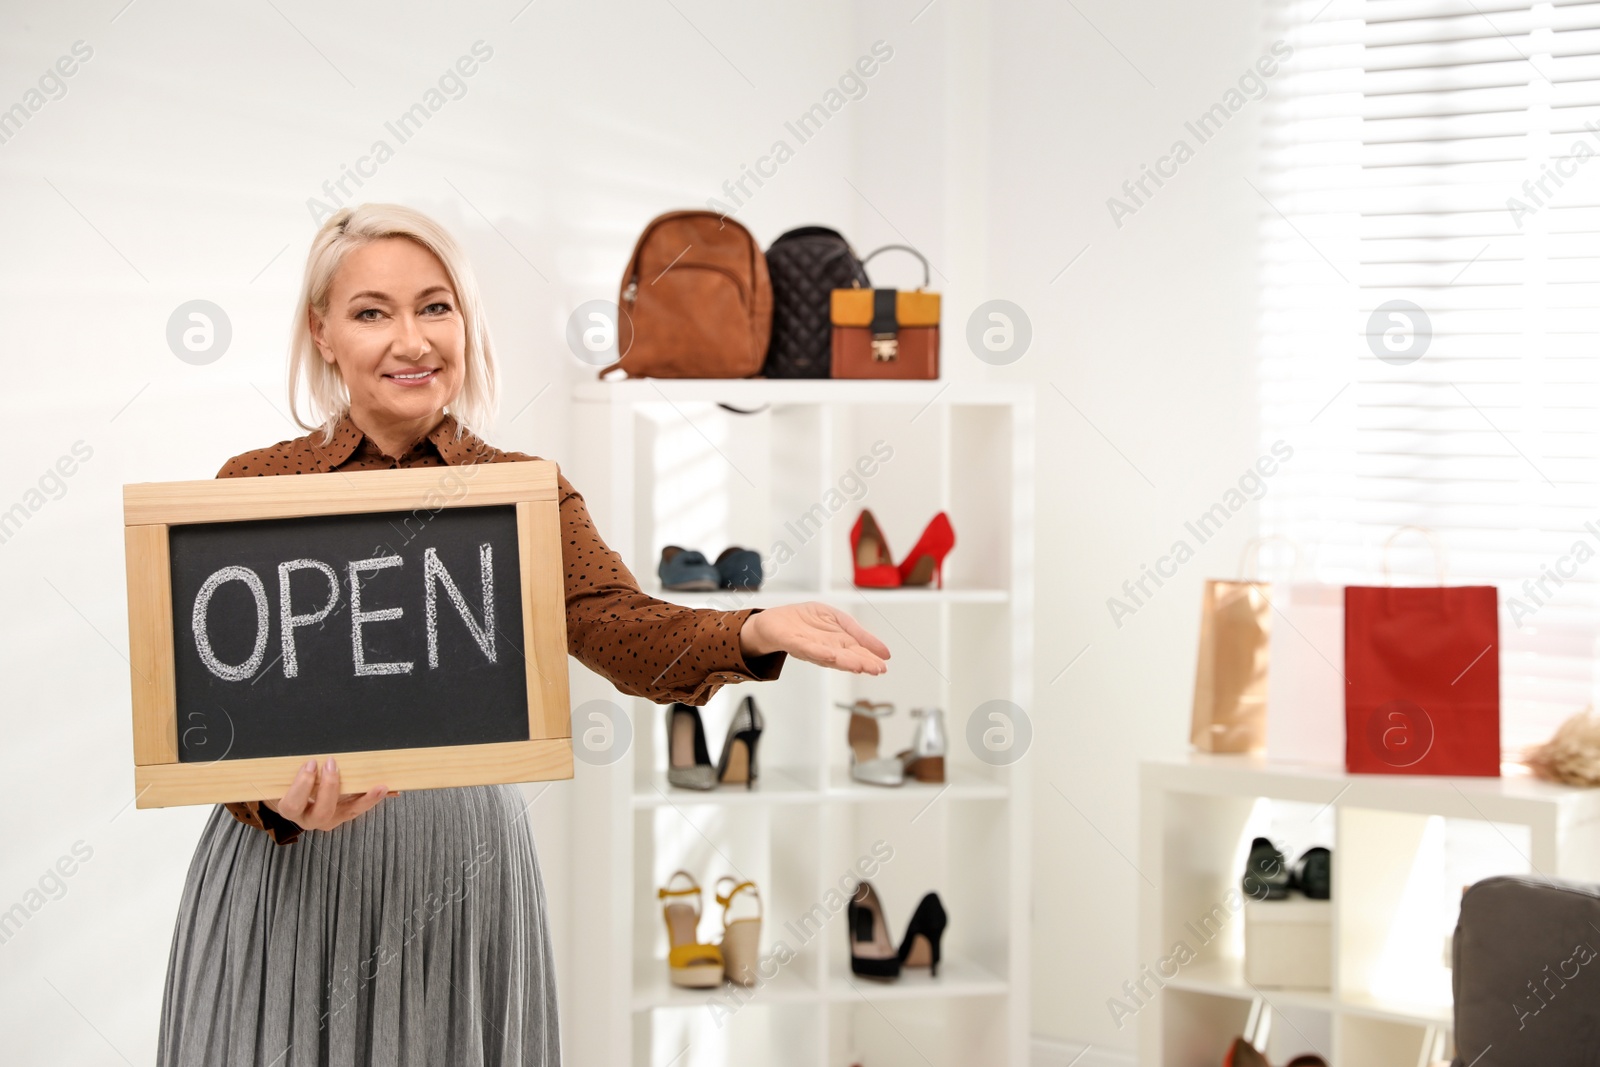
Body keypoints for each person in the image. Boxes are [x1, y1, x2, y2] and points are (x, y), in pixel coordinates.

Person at [156, 203, 890, 1067]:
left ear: (466, 323)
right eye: (371, 312)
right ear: (321, 332)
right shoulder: (252, 486)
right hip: (286, 872)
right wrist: (270, 803)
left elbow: (620, 625)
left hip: (455, 871)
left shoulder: (519, 493)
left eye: (436, 307)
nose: (412, 339)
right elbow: (213, 712)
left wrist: (751, 626)